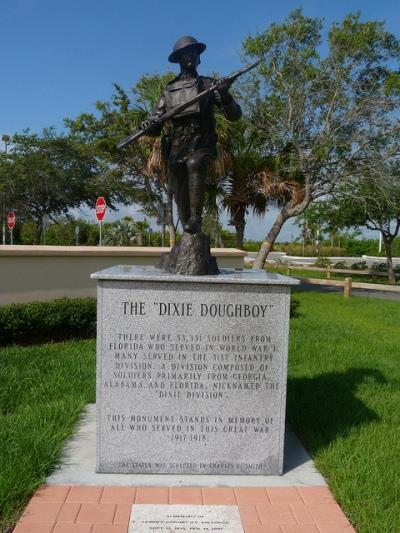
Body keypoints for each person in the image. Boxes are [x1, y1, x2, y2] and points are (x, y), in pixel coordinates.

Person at [144, 36, 242, 234]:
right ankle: (190, 232)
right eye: (184, 54)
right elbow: (156, 125)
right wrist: (149, 124)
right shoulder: (169, 90)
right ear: (178, 60)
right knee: (179, 189)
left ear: (199, 58)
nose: (189, 56)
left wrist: (225, 95)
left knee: (194, 164)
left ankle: (197, 218)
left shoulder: (209, 85)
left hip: (202, 144)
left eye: (193, 53)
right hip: (177, 147)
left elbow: (234, 115)